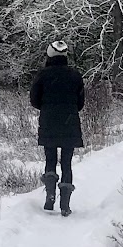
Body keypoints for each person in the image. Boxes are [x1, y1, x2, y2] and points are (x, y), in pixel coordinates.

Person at [29, 40, 85, 215]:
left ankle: (50, 197)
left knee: (50, 159)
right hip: (70, 123)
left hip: (49, 122)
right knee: (67, 163)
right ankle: (65, 205)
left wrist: (48, 108)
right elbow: (80, 104)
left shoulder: (42, 75)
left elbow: (34, 100)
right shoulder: (75, 75)